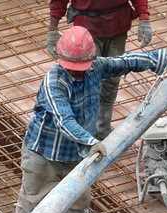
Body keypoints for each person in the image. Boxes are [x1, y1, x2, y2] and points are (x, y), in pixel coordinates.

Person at [14, 26, 167, 213]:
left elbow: (125, 61)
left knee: (79, 199)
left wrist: (163, 55)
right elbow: (64, 120)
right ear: (61, 59)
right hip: (44, 154)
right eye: (73, 69)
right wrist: (92, 142)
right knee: (32, 201)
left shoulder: (95, 68)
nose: (77, 72)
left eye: (81, 68)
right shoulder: (54, 82)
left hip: (76, 154)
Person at [46, 1, 153, 140]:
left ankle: (102, 131)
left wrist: (144, 17)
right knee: (84, 79)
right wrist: (52, 29)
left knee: (112, 79)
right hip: (87, 29)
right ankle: (81, 132)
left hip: (118, 25)